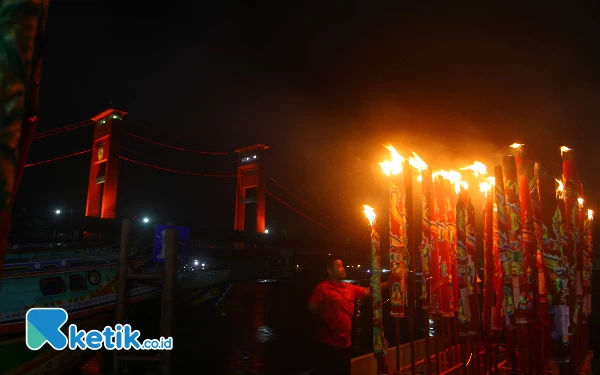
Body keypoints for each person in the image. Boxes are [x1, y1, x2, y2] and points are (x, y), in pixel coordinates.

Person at [307, 256, 387, 375]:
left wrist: (388, 284)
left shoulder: (349, 288)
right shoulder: (322, 288)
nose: (343, 269)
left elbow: (367, 291)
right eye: (338, 266)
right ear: (329, 271)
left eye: (343, 266)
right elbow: (311, 308)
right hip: (327, 345)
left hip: (345, 345)